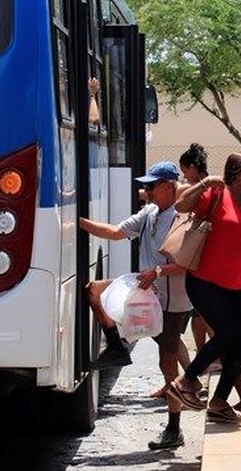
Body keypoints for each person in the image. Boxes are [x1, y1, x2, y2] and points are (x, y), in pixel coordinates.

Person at [166, 153, 241, 424]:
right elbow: (180, 206)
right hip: (205, 281)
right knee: (228, 333)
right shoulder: (217, 193)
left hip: (237, 283)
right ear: (235, 172)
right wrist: (203, 185)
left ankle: (219, 402)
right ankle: (187, 380)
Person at [78, 161, 191, 450]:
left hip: (170, 298)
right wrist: (76, 222)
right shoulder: (150, 212)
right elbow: (116, 232)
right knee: (94, 291)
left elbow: (186, 263)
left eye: (152, 186)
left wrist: (158, 272)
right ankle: (116, 346)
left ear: (169, 186)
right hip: (144, 291)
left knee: (167, 362)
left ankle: (174, 427)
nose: (146, 191)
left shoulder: (183, 218)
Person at [176, 143, 215, 369]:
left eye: (185, 170)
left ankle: (212, 355)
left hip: (199, 254)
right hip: (203, 254)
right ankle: (206, 354)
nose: (184, 175)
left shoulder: (200, 188)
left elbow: (180, 206)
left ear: (192, 167)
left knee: (202, 311)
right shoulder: (211, 185)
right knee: (199, 312)